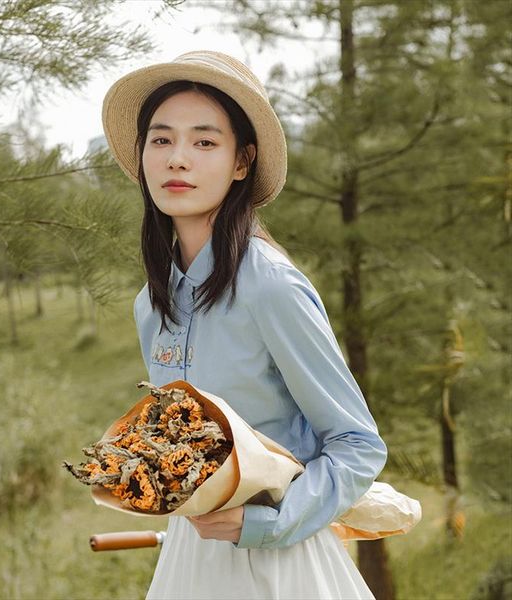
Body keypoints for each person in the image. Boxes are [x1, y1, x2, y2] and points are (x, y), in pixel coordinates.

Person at [101, 50, 387, 600]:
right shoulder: (152, 305)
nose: (177, 159)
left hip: (279, 566)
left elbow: (357, 445)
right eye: (161, 140)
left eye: (204, 142)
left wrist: (263, 523)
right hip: (189, 559)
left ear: (242, 162)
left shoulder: (270, 286)